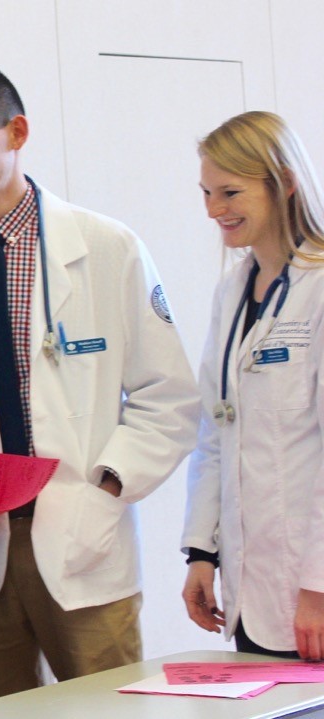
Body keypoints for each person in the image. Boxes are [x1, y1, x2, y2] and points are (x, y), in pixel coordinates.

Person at [0, 64, 200, 697]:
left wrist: (107, 482)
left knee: (111, 709)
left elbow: (168, 395)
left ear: (16, 131)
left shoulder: (109, 249)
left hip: (84, 537)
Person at [182, 111, 324, 660]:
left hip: (310, 591)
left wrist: (316, 586)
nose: (215, 209)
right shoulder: (233, 293)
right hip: (250, 588)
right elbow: (216, 432)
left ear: (285, 183)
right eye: (207, 192)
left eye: (230, 192)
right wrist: (202, 553)